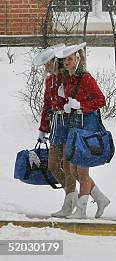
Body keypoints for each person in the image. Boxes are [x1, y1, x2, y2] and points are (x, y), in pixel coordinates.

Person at [54, 42, 110, 219]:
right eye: (65, 60)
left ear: (77, 59)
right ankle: (100, 199)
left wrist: (81, 106)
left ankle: (82, 209)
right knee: (72, 169)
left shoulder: (85, 77)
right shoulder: (69, 79)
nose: (66, 62)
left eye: (69, 59)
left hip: (87, 126)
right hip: (75, 125)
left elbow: (101, 100)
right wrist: (68, 105)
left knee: (82, 170)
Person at [31, 43, 79, 217]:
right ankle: (73, 196)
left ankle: (69, 203)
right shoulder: (50, 80)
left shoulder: (67, 77)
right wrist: (43, 129)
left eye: (50, 63)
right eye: (46, 64)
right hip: (56, 124)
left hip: (69, 122)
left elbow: (74, 98)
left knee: (69, 165)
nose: (47, 67)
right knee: (53, 164)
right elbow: (47, 105)